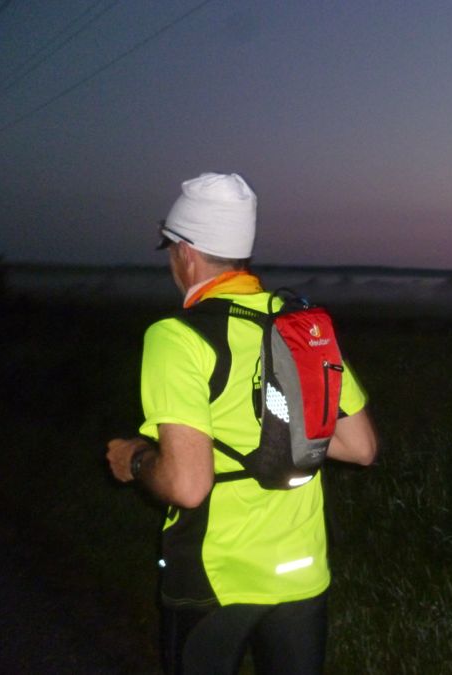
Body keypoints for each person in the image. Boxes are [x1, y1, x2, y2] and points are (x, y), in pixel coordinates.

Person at [106, 172, 377, 675]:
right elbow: (359, 447)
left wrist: (136, 458)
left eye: (171, 248)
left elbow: (187, 486)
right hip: (301, 573)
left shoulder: (176, 336)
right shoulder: (301, 324)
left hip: (216, 578)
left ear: (186, 251)